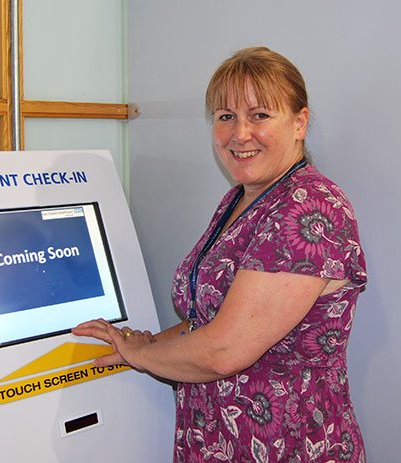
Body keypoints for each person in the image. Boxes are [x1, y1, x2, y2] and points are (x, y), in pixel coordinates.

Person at [73, 46, 367, 463]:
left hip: (289, 445)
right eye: (225, 116)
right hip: (217, 439)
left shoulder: (308, 207)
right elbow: (209, 320)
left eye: (259, 115)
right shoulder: (240, 200)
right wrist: (140, 344)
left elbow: (223, 350)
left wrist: (140, 354)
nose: (239, 133)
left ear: (299, 122)